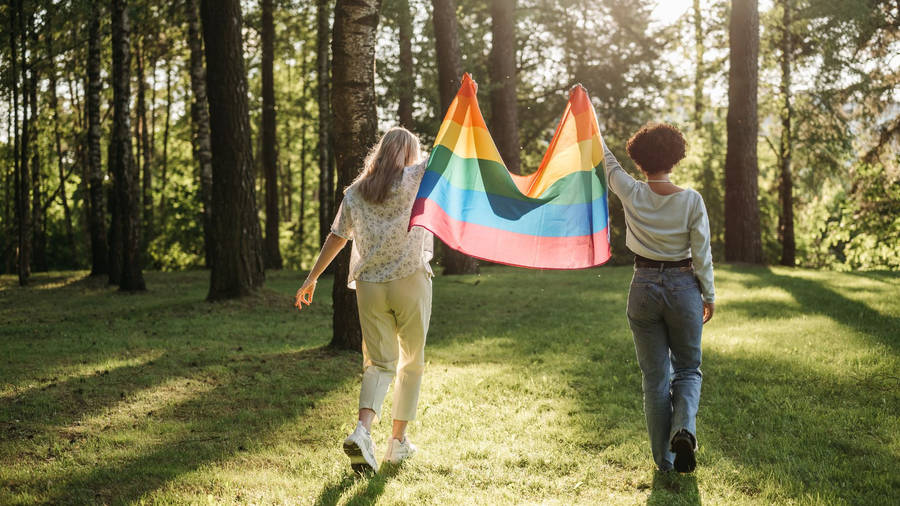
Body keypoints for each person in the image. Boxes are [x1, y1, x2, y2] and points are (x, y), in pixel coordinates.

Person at [294, 127, 434, 473]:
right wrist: (464, 100)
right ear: (408, 154)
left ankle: (362, 431)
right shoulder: (416, 176)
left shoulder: (355, 192)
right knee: (411, 361)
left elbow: (337, 237)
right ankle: (397, 443)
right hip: (409, 280)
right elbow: (448, 149)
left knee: (379, 363)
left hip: (370, 286)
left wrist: (311, 278)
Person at [603, 122, 715, 473]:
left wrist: (585, 109)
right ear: (676, 158)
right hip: (684, 288)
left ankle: (664, 463)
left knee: (654, 379)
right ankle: (683, 429)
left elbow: (606, 161)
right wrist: (708, 294)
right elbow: (702, 254)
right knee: (687, 369)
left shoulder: (632, 192)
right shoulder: (691, 200)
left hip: (643, 286)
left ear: (640, 159)